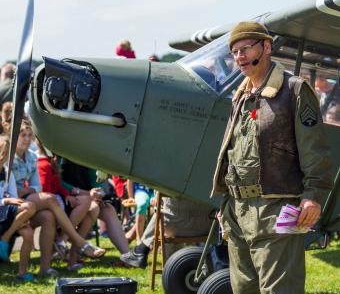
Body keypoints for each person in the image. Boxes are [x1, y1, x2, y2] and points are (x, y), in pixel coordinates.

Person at [211, 21, 332, 294]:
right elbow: (234, 153)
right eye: (235, 52)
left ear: (266, 47)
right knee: (243, 290)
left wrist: (312, 195)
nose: (240, 57)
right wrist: (227, 203)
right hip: (237, 212)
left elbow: (315, 151)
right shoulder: (240, 96)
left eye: (245, 48)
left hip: (276, 210)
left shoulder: (295, 90)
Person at [12, 120, 105, 276]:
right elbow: (14, 189)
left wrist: (26, 190)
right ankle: (78, 243)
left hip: (31, 201)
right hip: (14, 202)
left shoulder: (31, 158)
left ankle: (46, 268)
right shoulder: (11, 158)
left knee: (50, 215)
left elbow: (37, 187)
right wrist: (24, 191)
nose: (27, 139)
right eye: (23, 135)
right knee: (51, 199)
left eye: (29, 135)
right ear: (14, 137)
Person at [120, 194, 213, 268]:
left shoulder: (170, 179)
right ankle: (141, 249)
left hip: (175, 227)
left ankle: (142, 250)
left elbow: (157, 204)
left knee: (162, 215)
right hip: (210, 227)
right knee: (166, 215)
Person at [0, 134, 37, 281]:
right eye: (4, 152)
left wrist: (22, 217)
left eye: (7, 152)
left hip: (5, 213)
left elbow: (15, 196)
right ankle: (5, 238)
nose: (6, 156)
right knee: (29, 207)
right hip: (3, 209)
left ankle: (22, 273)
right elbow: (9, 199)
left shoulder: (7, 171)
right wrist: (6, 201)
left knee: (28, 231)